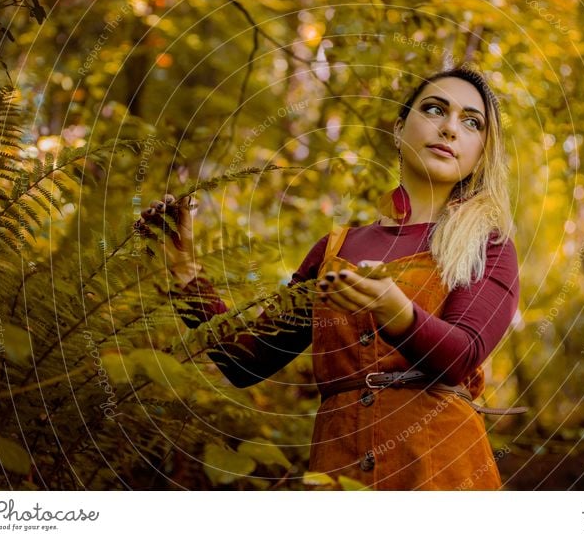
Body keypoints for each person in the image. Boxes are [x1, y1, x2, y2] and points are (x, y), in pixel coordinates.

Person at [134, 65, 521, 490]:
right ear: (398, 130)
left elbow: (463, 355)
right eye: (434, 109)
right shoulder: (335, 249)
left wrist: (397, 312)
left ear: (482, 153)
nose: (449, 128)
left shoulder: (489, 244)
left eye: (471, 122)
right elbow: (248, 359)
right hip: (338, 468)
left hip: (443, 472)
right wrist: (184, 271)